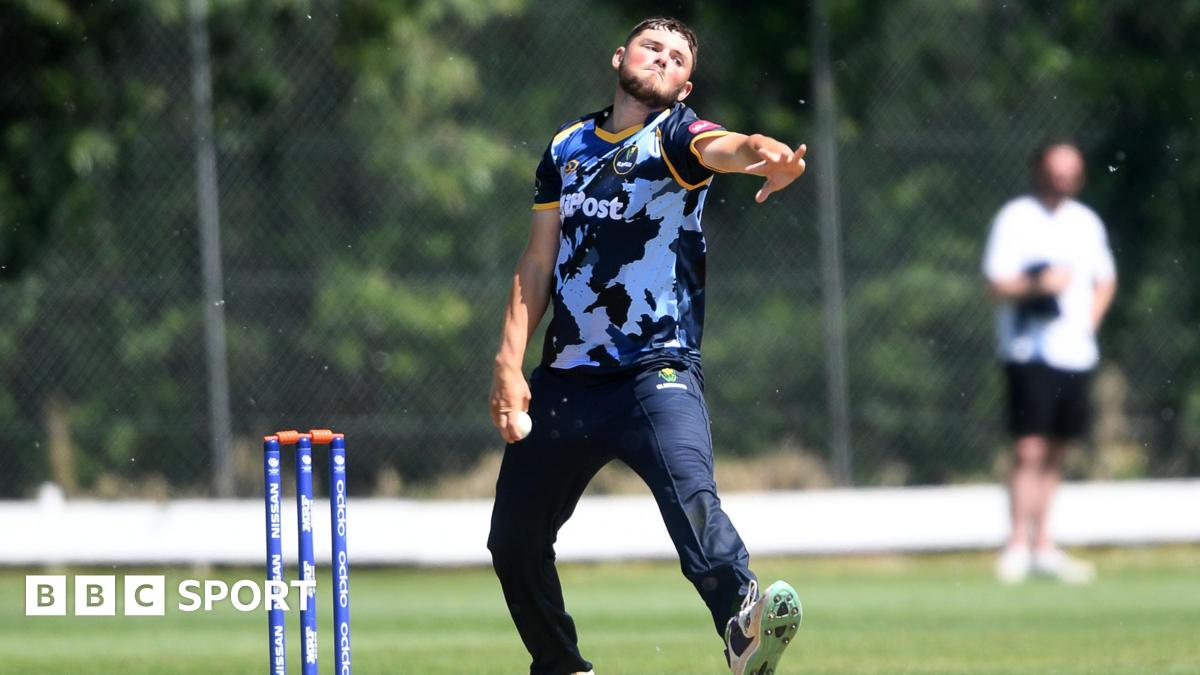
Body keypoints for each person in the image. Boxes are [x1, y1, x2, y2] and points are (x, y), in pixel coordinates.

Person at [487, 16, 807, 675]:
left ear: (686, 86)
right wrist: (508, 363)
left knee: (692, 495)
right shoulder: (567, 147)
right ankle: (561, 666)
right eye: (651, 47)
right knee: (513, 542)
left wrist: (766, 153)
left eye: (678, 57)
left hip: (655, 371)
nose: (662, 58)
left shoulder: (678, 138)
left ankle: (743, 623)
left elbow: (731, 146)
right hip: (567, 379)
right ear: (619, 57)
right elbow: (538, 261)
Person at [982, 141, 1117, 584]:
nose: (1062, 179)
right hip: (1028, 351)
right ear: (1039, 170)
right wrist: (1038, 285)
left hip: (1073, 354)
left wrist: (1088, 324)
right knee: (1029, 448)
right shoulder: (1016, 218)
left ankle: (1044, 544)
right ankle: (1017, 543)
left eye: (1070, 171)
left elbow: (1105, 280)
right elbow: (995, 284)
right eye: (1055, 170)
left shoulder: (1086, 222)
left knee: (1057, 448)